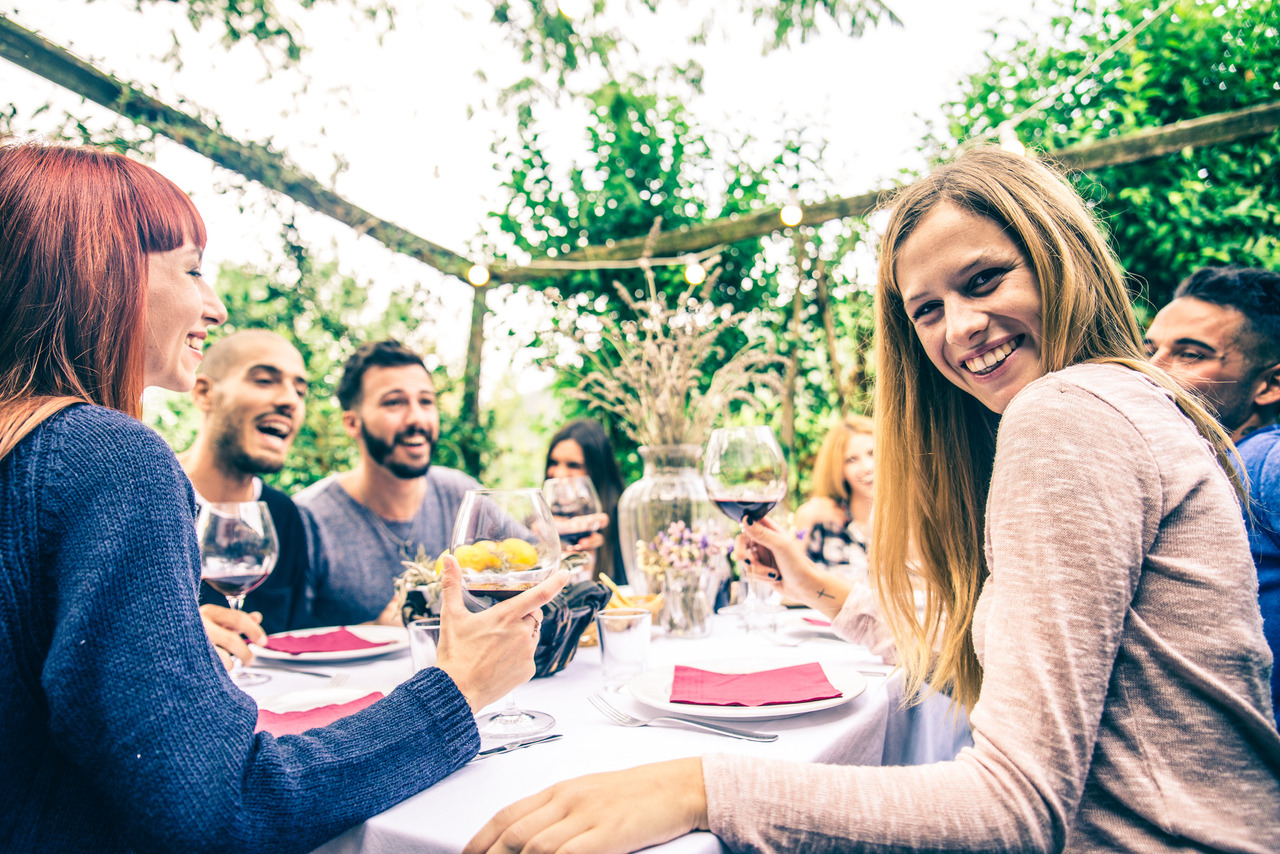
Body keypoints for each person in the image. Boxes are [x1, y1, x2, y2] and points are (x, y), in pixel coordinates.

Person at [464, 148, 1280, 853]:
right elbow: (993, 670)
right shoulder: (1116, 406)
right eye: (927, 309)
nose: (960, 328)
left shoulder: (1066, 416)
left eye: (985, 279)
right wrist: (820, 590)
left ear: (1059, 258)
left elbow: (1013, 808)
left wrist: (696, 787)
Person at [0, 141, 566, 853]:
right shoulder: (110, 457)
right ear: (99, 270)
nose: (215, 303)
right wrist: (456, 690)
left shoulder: (31, 457)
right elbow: (221, 809)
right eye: (193, 269)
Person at [1146, 265, 1280, 727]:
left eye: (1189, 354)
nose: (1152, 369)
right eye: (1149, 349)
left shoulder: (1264, 461)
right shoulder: (1207, 472)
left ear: (1270, 385)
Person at [295, 339, 491, 626]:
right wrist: (377, 630)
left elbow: (537, 563)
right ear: (352, 423)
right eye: (394, 402)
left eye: (426, 401)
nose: (417, 418)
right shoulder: (309, 519)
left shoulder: (461, 494)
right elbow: (280, 643)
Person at [179, 329, 312, 660]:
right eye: (265, 381)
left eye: (300, 391)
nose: (289, 401)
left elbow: (295, 645)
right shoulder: (146, 498)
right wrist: (177, 635)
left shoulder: (283, 515)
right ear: (204, 393)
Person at [792, 414, 874, 578]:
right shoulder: (822, 522)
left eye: (872, 453)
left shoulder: (911, 519)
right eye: (852, 460)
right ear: (838, 469)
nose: (867, 466)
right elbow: (786, 585)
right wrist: (803, 519)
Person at [544, 419, 626, 582]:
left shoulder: (622, 524)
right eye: (554, 462)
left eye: (573, 465)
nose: (559, 474)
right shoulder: (534, 526)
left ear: (597, 471)